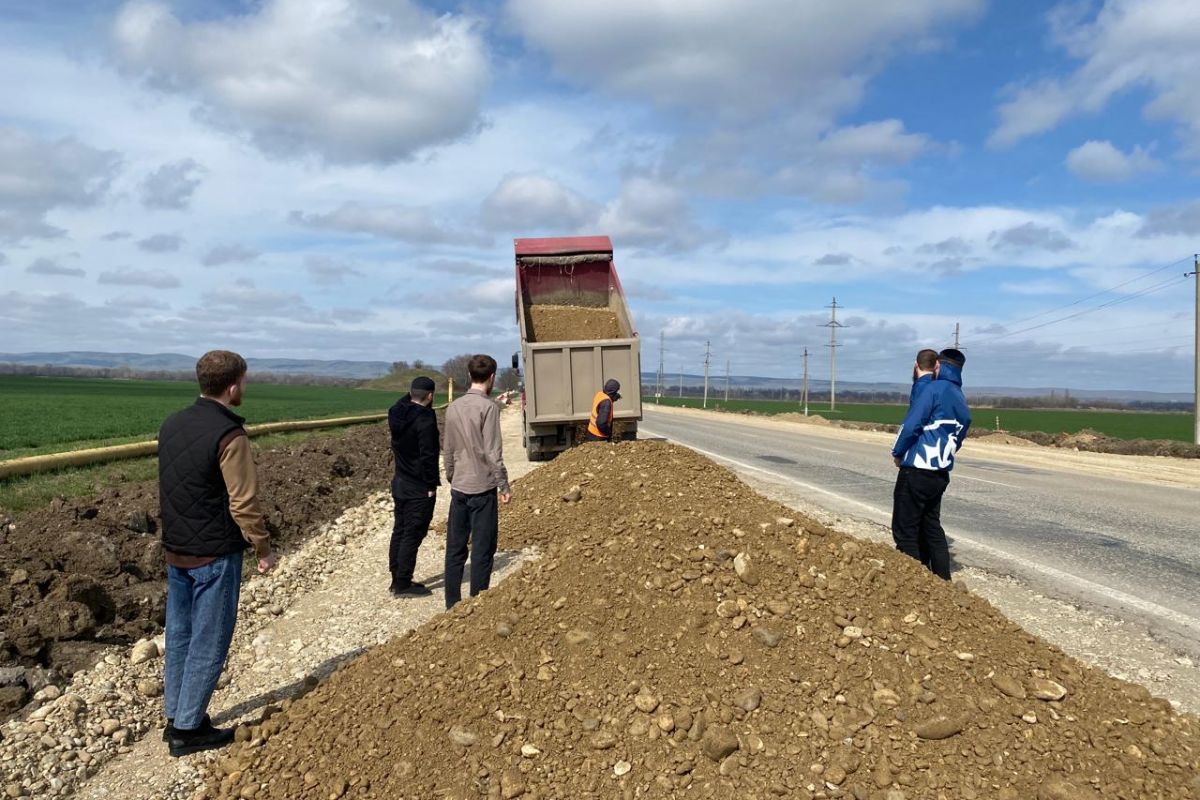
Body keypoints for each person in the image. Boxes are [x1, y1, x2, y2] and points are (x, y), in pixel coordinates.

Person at [158, 350, 276, 757]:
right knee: (210, 641)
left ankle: (177, 716)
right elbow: (242, 502)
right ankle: (188, 731)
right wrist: (262, 546)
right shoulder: (230, 435)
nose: (245, 387)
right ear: (232, 386)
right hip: (214, 552)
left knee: (180, 636)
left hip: (177, 549)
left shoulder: (172, 423)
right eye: (244, 381)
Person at [890, 348, 972, 580]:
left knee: (905, 531)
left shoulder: (932, 389)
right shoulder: (958, 395)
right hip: (940, 472)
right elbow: (961, 430)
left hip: (917, 468)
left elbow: (912, 423)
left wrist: (898, 452)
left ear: (938, 366)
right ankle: (942, 582)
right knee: (931, 528)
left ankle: (914, 585)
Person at [442, 354, 511, 609]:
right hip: (483, 489)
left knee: (455, 550)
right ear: (492, 377)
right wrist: (503, 485)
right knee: (482, 550)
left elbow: (447, 449)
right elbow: (493, 453)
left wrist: (452, 475)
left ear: (469, 376)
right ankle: (477, 607)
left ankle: (452, 606)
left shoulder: (453, 407)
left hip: (459, 487)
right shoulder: (489, 408)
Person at [387, 376, 440, 597]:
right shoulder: (425, 419)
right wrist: (431, 484)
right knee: (413, 533)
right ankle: (403, 584)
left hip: (400, 481)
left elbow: (402, 402)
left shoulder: (396, 413)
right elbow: (429, 455)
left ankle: (395, 578)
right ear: (430, 396)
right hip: (419, 485)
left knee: (399, 529)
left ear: (410, 393)